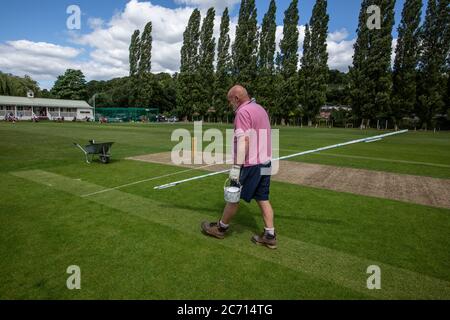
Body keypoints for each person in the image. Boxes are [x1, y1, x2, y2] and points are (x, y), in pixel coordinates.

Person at [201, 85, 277, 249]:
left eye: (230, 101)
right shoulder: (260, 108)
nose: (230, 105)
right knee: (263, 197)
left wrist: (236, 167)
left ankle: (221, 228)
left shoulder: (242, 112)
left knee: (233, 196)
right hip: (265, 162)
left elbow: (245, 141)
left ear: (236, 98)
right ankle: (270, 235)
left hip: (250, 164)